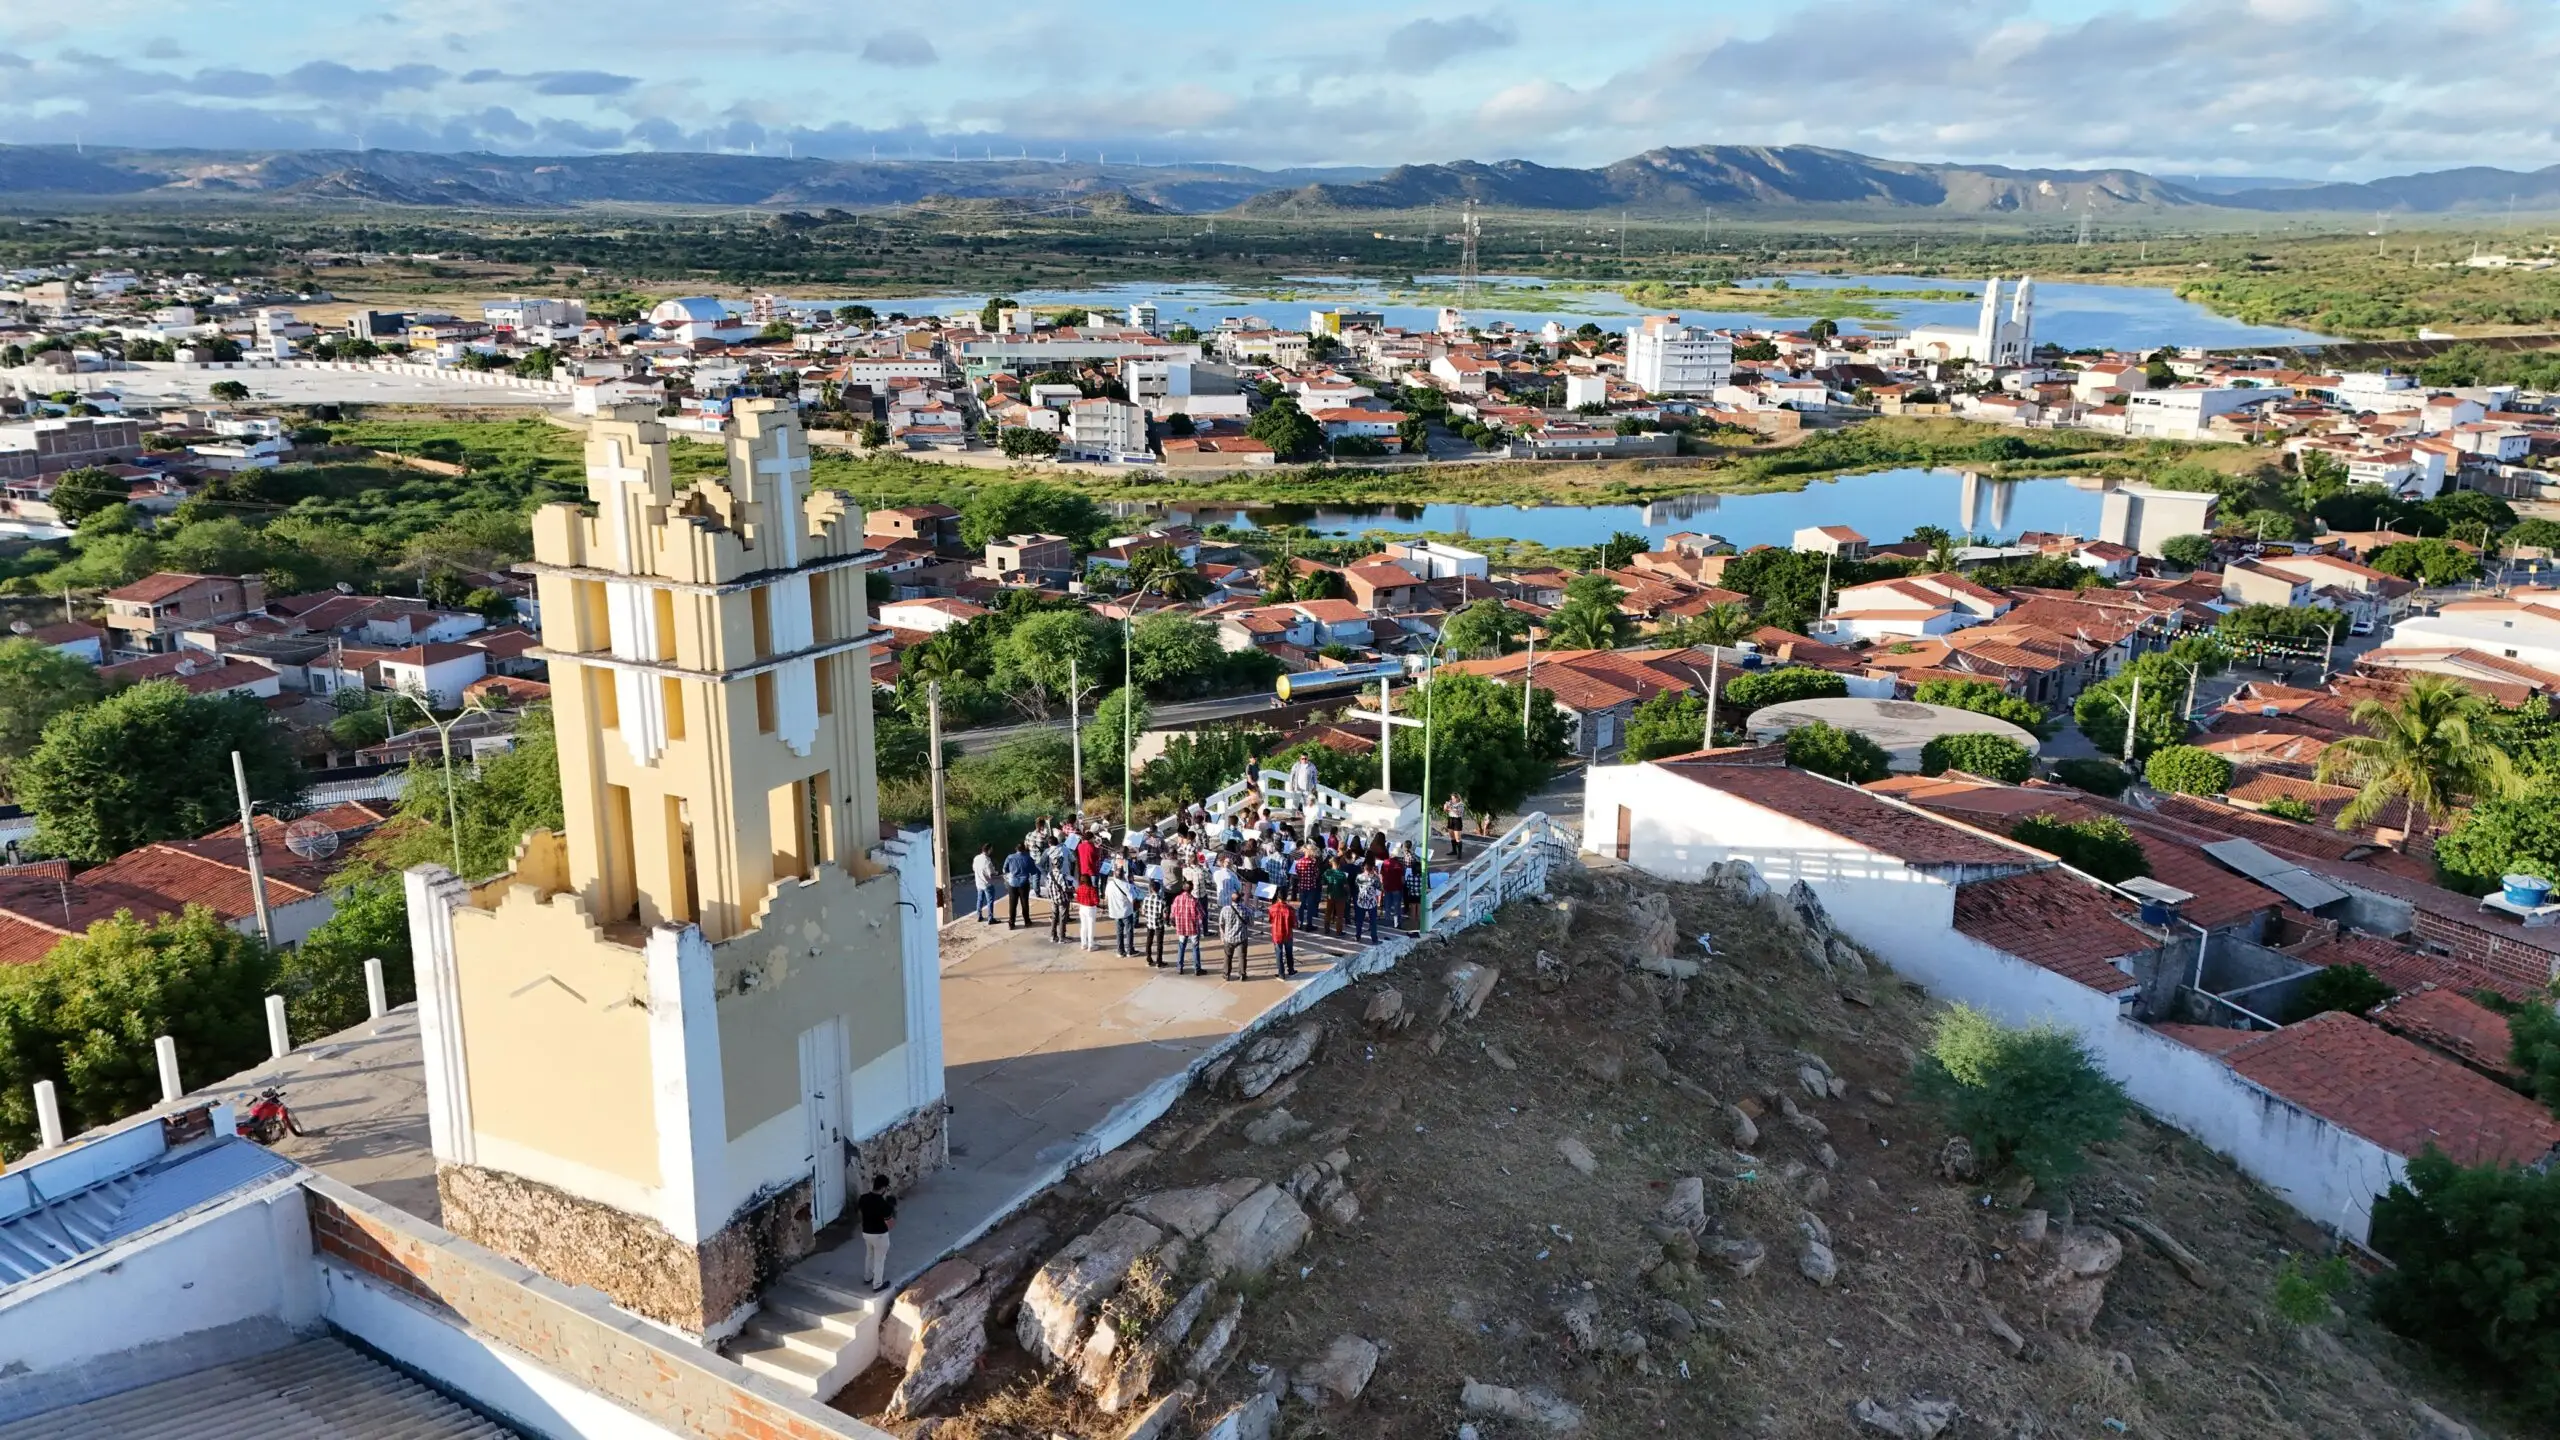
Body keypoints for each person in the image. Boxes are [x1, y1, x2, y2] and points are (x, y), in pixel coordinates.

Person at [857, 1174, 897, 1292]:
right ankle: (877, 1284)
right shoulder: (884, 1205)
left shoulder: (863, 1198)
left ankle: (868, 1276)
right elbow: (890, 1224)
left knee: (869, 1255)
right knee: (879, 1259)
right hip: (880, 1235)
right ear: (884, 1188)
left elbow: (859, 1214)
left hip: (866, 1232)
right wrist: (893, 1210)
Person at [1170, 883, 1204, 976]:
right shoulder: (1194, 900)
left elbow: (1172, 914)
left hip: (1181, 927)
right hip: (1193, 928)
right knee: (1195, 948)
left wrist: (1173, 923)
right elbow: (1201, 914)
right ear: (1192, 889)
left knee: (1181, 947)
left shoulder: (1177, 899)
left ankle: (1179, 967)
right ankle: (1197, 968)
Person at [1219, 890, 1251, 981]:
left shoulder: (1225, 909)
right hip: (1242, 937)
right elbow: (1251, 923)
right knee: (1242, 957)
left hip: (1228, 937)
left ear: (1231, 900)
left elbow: (1221, 923)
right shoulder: (1246, 910)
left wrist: (1223, 935)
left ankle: (1226, 974)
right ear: (1240, 899)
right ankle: (1242, 974)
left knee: (1227, 956)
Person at [1003, 842, 1036, 929]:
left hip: (1012, 883)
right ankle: (1027, 921)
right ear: (1024, 849)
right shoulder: (1028, 858)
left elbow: (1004, 869)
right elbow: (1033, 872)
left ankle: (1011, 923)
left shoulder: (1010, 857)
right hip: (1024, 883)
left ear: (1016, 849)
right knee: (1024, 903)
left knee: (1012, 903)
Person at [1267, 887, 1298, 978]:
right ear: (1286, 897)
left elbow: (1270, 920)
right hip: (1288, 934)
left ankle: (1281, 973)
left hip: (1276, 934)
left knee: (1278, 954)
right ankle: (1291, 970)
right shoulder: (1290, 909)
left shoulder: (1272, 908)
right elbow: (1294, 924)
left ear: (1277, 897)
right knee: (1289, 952)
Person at [1106, 866, 1136, 957]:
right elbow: (1133, 899)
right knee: (1129, 931)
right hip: (1126, 911)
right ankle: (1130, 950)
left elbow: (1106, 896)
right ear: (1123, 875)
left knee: (1119, 932)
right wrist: (1132, 883)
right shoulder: (1126, 885)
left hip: (1115, 911)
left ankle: (1120, 951)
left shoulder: (1110, 884)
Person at [1140, 877, 1169, 967]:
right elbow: (1165, 915)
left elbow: (1143, 912)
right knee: (1159, 943)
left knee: (1149, 941)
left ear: (1151, 889)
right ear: (1159, 889)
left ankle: (1149, 959)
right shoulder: (1162, 900)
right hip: (1159, 924)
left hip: (1149, 923)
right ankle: (1159, 961)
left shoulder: (1146, 899)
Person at [1351, 858, 1381, 944]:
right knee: (1373, 922)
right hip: (1371, 902)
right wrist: (1377, 876)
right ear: (1372, 868)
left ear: (1364, 868)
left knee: (1359, 921)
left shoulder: (1359, 877)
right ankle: (1374, 939)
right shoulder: (1374, 878)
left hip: (1361, 901)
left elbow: (1356, 885)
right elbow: (1380, 887)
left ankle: (1358, 936)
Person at [1321, 853, 1351, 936]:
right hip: (1340, 896)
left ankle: (1326, 929)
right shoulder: (1342, 874)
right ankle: (1339, 931)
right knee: (1339, 915)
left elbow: (1323, 882)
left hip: (1330, 895)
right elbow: (1346, 886)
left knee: (1328, 913)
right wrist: (1348, 894)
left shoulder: (1327, 872)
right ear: (1339, 864)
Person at [1292, 845, 1321, 929]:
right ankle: (1309, 924)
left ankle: (1300, 923)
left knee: (1301, 905)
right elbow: (1316, 874)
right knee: (1310, 906)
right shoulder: (1313, 862)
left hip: (1302, 886)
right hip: (1311, 886)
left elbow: (1297, 873)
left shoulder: (1299, 862)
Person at [1380, 848, 1406, 932]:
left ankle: (1387, 921)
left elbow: (1381, 874)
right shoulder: (1400, 865)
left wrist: (1383, 883)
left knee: (1387, 905)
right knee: (1396, 906)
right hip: (1397, 888)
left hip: (1387, 886)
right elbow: (1402, 879)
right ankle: (1396, 924)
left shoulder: (1385, 862)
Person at [972, 844, 999, 925]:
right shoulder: (987, 860)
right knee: (990, 901)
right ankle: (990, 918)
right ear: (989, 850)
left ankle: (979, 916)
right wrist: (996, 873)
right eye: (991, 849)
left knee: (979, 900)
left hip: (979, 883)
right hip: (987, 884)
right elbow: (991, 874)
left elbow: (974, 868)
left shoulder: (976, 858)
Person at [1074, 875, 1099, 952]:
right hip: (1090, 908)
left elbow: (1077, 898)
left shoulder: (1079, 888)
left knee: (1083, 926)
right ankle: (1091, 945)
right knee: (1091, 927)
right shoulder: (1092, 889)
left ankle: (1083, 944)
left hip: (1082, 908)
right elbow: (1096, 901)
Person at [1443, 793, 1467, 861]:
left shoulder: (1460, 804)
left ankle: (1459, 853)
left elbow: (1459, 813)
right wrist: (1445, 807)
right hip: (1450, 819)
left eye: (1453, 798)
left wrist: (1451, 808)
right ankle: (1454, 851)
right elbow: (1446, 811)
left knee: (1458, 838)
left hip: (1457, 820)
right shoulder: (1451, 803)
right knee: (1452, 836)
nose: (1452, 800)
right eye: (1451, 798)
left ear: (1457, 798)